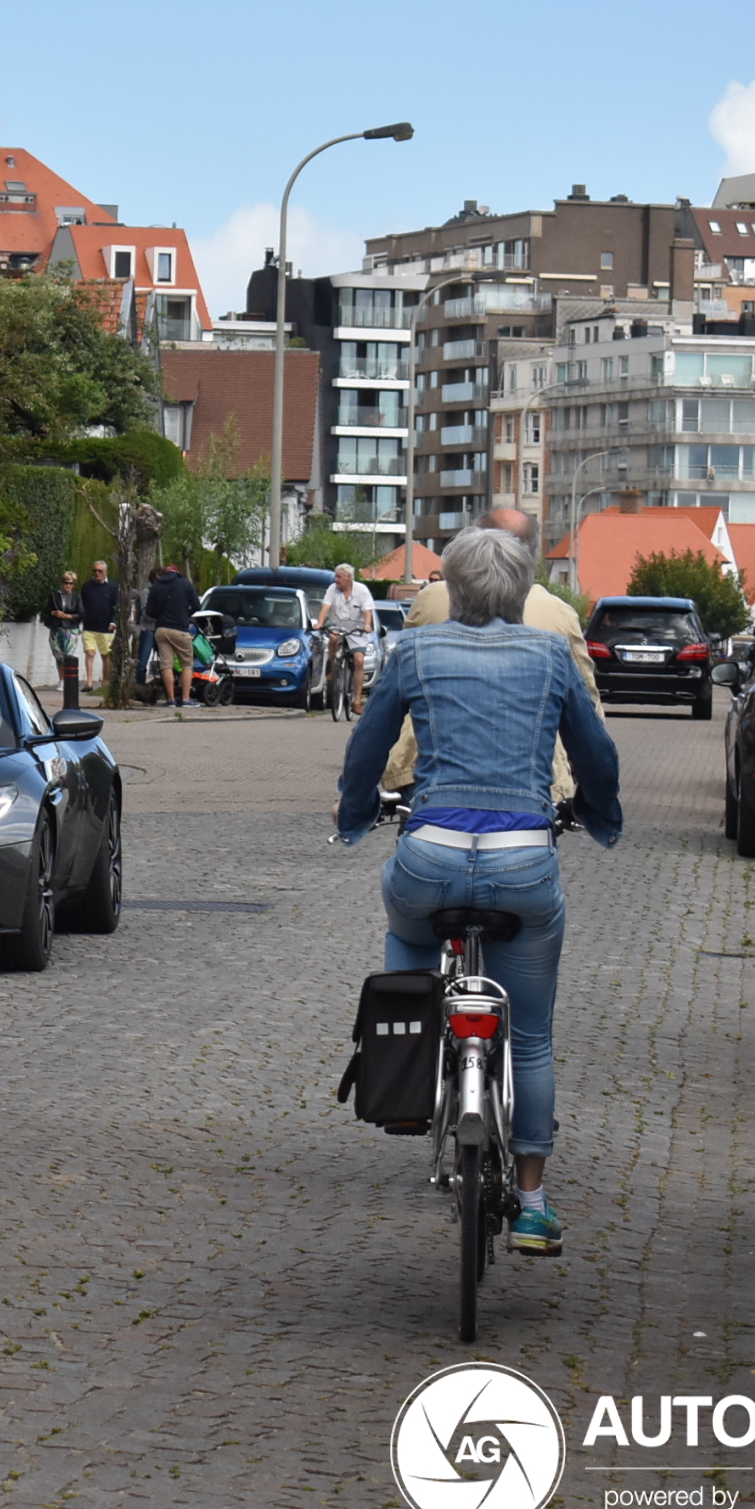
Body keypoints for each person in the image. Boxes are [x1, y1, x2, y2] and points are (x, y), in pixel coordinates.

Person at [335, 527, 621, 1258]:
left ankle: (410, 1059)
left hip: (430, 855)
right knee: (529, 1035)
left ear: (451, 589)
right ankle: (531, 1203)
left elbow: (369, 743)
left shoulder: (418, 651)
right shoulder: (551, 654)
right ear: (522, 591)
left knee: (407, 926)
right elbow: (594, 752)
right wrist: (597, 812)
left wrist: (358, 811)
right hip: (524, 863)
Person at [385, 508, 597, 801]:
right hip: (535, 776)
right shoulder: (560, 615)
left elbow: (390, 700)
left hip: (427, 768)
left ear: (470, 545)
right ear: (532, 554)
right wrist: (592, 791)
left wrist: (357, 795)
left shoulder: (432, 598)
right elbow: (587, 711)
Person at [317, 563, 378, 717]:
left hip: (357, 629)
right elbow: (325, 607)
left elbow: (367, 611)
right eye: (335, 576)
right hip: (339, 625)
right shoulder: (332, 589)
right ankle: (334, 667)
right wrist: (320, 623)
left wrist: (366, 625)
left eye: (339, 577)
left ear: (349, 578)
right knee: (333, 638)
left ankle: (356, 701)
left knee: (358, 660)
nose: (336, 580)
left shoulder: (362, 590)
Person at [142, 560, 204, 708]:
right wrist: (185, 615)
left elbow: (149, 611)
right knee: (187, 664)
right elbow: (197, 606)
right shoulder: (185, 584)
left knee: (166, 665)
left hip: (162, 629)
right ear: (177, 572)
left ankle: (170, 699)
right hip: (180, 629)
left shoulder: (156, 586)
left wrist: (162, 616)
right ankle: (185, 698)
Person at [78, 560, 118, 691]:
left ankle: (105, 682)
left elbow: (116, 607)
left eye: (100, 571)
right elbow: (82, 604)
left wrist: (113, 622)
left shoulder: (112, 587)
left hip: (106, 627)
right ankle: (89, 683)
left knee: (106, 655)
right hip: (89, 626)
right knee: (90, 653)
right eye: (94, 570)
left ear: (105, 572)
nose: (97, 573)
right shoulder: (87, 586)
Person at [47, 571, 82, 674]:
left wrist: (67, 616)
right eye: (66, 582)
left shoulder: (77, 597)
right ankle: (61, 679)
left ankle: (67, 680)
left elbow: (81, 613)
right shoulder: (54, 596)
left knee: (68, 655)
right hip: (56, 628)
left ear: (73, 585)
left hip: (71, 628)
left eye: (70, 583)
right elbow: (46, 610)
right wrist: (54, 613)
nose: (68, 585)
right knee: (58, 654)